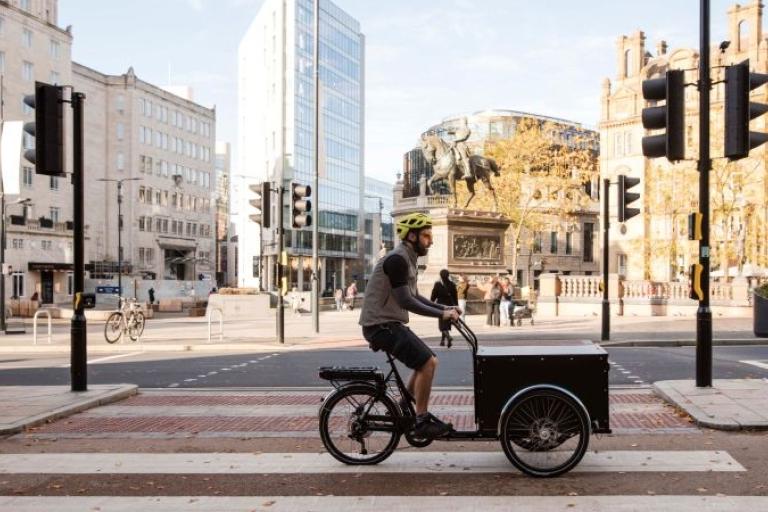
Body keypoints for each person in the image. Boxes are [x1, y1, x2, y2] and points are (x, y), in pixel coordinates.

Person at [359, 212, 461, 439]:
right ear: (412, 236)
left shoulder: (407, 259)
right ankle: (421, 420)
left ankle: (403, 403)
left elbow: (415, 296)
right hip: (380, 325)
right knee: (427, 362)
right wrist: (443, 313)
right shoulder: (397, 260)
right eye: (426, 236)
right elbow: (406, 301)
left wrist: (444, 310)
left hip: (389, 323)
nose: (431, 241)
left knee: (425, 359)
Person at [430, 269, 458, 347]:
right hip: (450, 307)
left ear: (440, 276)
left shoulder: (438, 284)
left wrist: (431, 303)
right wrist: (456, 307)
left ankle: (448, 337)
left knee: (442, 325)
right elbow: (455, 297)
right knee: (447, 324)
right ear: (448, 275)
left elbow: (433, 295)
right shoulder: (452, 284)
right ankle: (442, 341)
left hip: (441, 307)